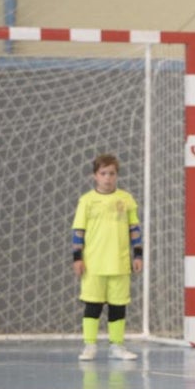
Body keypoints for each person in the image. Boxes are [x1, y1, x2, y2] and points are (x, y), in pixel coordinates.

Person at [72, 154, 143, 361]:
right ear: (95, 176)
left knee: (118, 306)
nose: (108, 178)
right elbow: (78, 231)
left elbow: (135, 229)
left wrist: (137, 255)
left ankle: (117, 346)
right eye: (103, 173)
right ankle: (89, 345)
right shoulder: (87, 201)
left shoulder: (126, 199)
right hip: (94, 264)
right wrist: (77, 257)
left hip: (120, 263)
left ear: (116, 175)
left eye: (111, 173)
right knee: (93, 305)